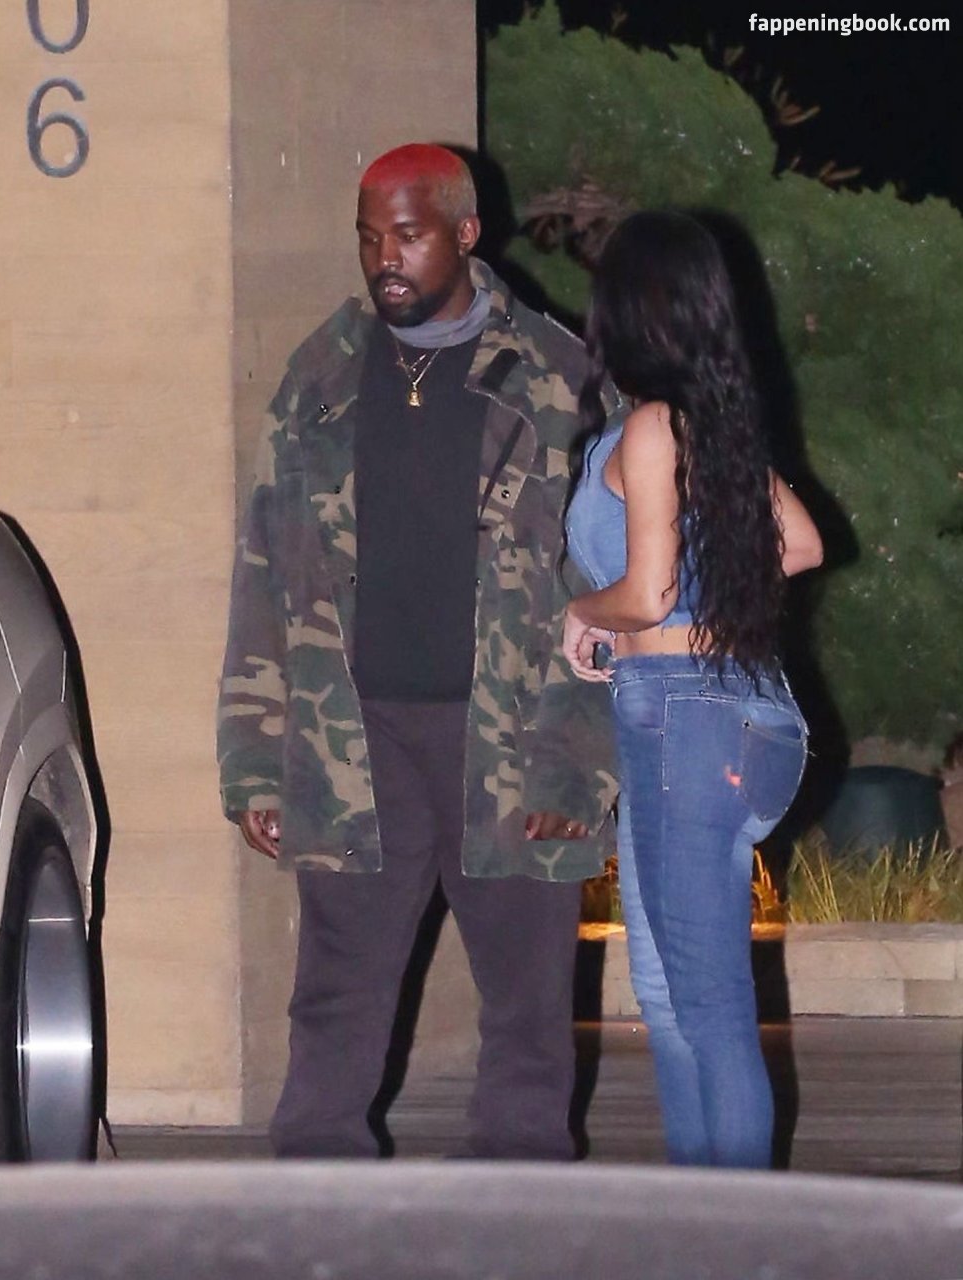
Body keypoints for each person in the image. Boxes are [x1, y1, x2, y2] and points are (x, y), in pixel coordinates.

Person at [217, 143, 618, 1159]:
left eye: (407, 235)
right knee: (335, 988)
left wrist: (579, 757)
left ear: (466, 234)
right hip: (353, 739)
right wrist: (256, 757)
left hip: (512, 740)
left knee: (527, 997)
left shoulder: (558, 378)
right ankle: (318, 1183)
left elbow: (610, 591)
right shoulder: (319, 377)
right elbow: (265, 568)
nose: (384, 259)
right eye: (368, 238)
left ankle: (519, 1186)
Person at [562, 209, 824, 1169]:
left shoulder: (647, 430)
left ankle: (735, 1228)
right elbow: (803, 543)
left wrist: (583, 612)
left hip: (683, 716)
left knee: (704, 1003)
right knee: (670, 995)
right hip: (729, 711)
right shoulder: (708, 429)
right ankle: (698, 1210)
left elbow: (647, 592)